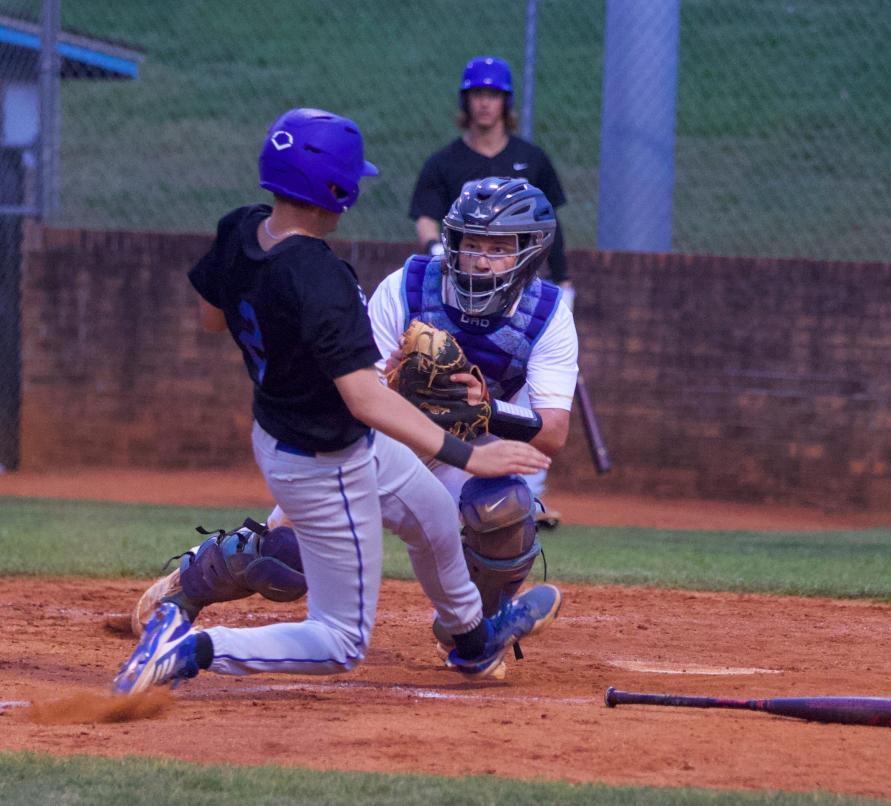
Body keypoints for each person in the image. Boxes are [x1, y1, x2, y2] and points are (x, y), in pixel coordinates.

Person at [113, 109, 562, 696]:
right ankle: (192, 648)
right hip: (326, 457)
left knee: (432, 517)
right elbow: (365, 400)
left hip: (290, 428)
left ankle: (472, 645)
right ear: (337, 192)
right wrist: (471, 456)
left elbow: (210, 317)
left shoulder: (242, 227)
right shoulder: (324, 279)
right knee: (338, 641)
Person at [409, 55, 573, 522]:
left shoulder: (531, 157)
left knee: (521, 394)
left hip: (528, 290)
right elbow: (426, 216)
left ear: (506, 102)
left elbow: (550, 226)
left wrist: (559, 286)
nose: (485, 103)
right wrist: (441, 257)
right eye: (477, 94)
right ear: (467, 101)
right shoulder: (445, 161)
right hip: (453, 286)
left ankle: (527, 492)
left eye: (493, 94)